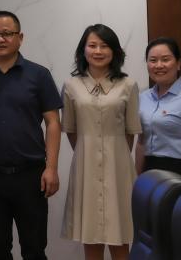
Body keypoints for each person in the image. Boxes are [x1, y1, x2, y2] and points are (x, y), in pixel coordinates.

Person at [0, 10, 62, 260]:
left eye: (7, 33)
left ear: (20, 37)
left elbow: (53, 123)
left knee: (34, 249)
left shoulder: (39, 75)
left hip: (31, 175)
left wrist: (51, 168)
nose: (0, 39)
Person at [61, 24, 141, 260]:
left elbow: (130, 132)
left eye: (104, 46)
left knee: (121, 238)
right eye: (92, 45)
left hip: (119, 168)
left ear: (114, 51)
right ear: (83, 50)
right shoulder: (71, 86)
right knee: (91, 238)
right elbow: (71, 130)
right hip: (85, 168)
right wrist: (89, 150)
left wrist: (114, 155)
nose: (98, 51)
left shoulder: (128, 85)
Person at [136, 37, 181, 186]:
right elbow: (141, 143)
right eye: (153, 60)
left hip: (180, 172)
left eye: (165, 59)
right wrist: (136, 179)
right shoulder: (142, 98)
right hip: (149, 172)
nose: (159, 65)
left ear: (178, 63)